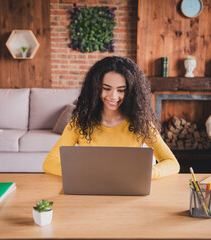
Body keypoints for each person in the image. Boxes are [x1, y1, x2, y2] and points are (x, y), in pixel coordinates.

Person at [43, 56, 180, 179]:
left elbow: (172, 163)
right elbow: (49, 163)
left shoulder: (142, 124)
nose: (113, 96)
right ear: (95, 88)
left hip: (129, 191)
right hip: (90, 190)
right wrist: (81, 172)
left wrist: (148, 173)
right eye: (106, 88)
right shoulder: (79, 123)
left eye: (121, 90)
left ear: (131, 92)